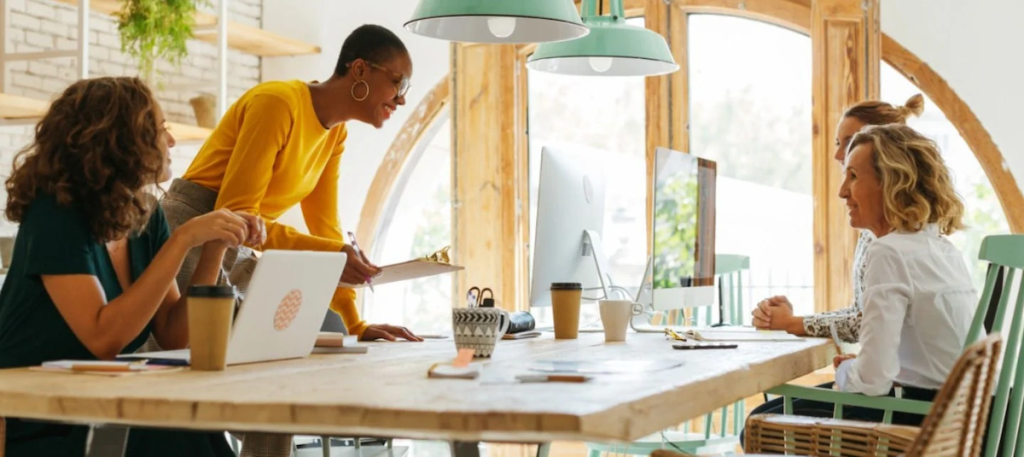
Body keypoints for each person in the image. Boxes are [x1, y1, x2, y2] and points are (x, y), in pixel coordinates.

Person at [158, 24, 421, 457]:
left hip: (236, 238)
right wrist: (332, 255)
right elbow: (237, 215)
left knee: (276, 372)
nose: (402, 98)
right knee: (237, 379)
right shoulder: (278, 103)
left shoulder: (335, 135)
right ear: (359, 69)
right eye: (398, 82)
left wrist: (356, 324)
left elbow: (326, 233)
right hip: (192, 229)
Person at [0, 77, 264, 457]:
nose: (171, 142)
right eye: (160, 130)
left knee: (195, 429)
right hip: (42, 420)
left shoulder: (143, 214)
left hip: (104, 408)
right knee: (170, 437)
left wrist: (214, 248)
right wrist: (182, 240)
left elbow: (174, 333)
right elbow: (103, 338)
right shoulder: (55, 214)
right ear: (121, 141)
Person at [746, 123, 976, 430]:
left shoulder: (889, 252)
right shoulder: (944, 251)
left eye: (853, 176)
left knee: (759, 423)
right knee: (772, 409)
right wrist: (858, 369)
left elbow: (872, 382)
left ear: (891, 182)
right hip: (962, 418)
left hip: (921, 421)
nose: (842, 191)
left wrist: (848, 373)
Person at [751, 94, 925, 342]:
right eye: (838, 143)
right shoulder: (877, 230)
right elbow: (861, 315)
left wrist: (793, 323)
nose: (838, 155)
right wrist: (795, 320)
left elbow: (863, 324)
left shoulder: (895, 242)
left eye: (851, 142)